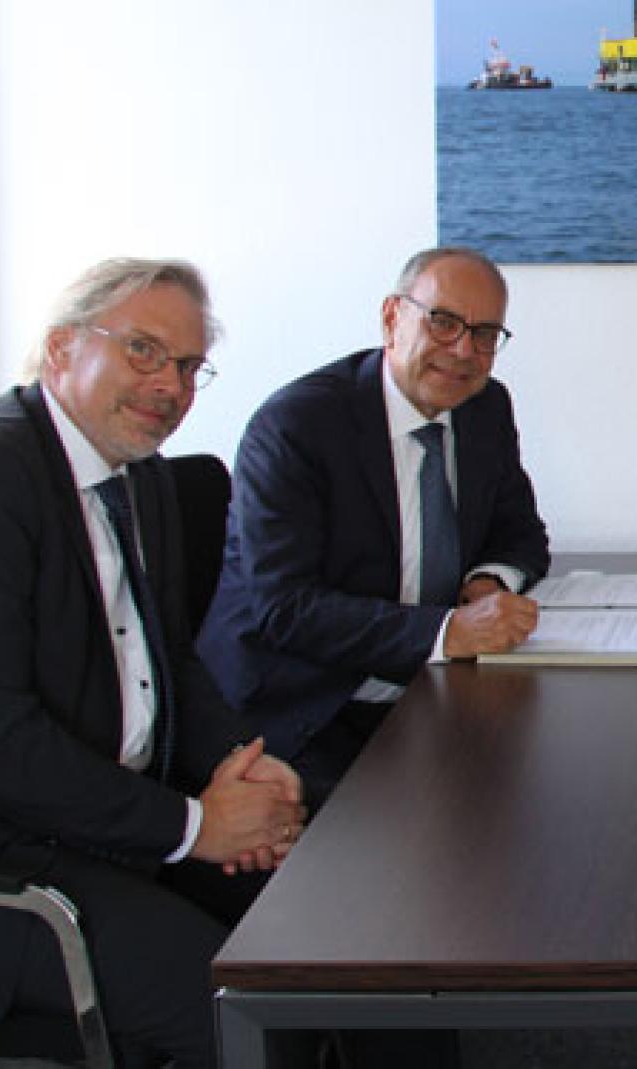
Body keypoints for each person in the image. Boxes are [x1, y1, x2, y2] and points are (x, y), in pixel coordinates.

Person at [0, 259, 306, 1069]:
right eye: (142, 350)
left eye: (187, 366)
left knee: (331, 935)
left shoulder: (135, 473)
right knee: (244, 1013)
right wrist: (195, 826)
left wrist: (244, 767)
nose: (169, 385)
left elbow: (168, 660)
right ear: (60, 349)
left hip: (100, 817)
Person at [199, 247, 550, 808]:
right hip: (305, 706)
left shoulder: (484, 407)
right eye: (443, 322)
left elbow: (521, 533)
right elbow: (284, 608)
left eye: (485, 334)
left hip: (430, 690)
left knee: (532, 797)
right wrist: (447, 631)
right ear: (392, 317)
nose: (463, 351)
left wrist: (487, 583)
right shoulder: (297, 425)